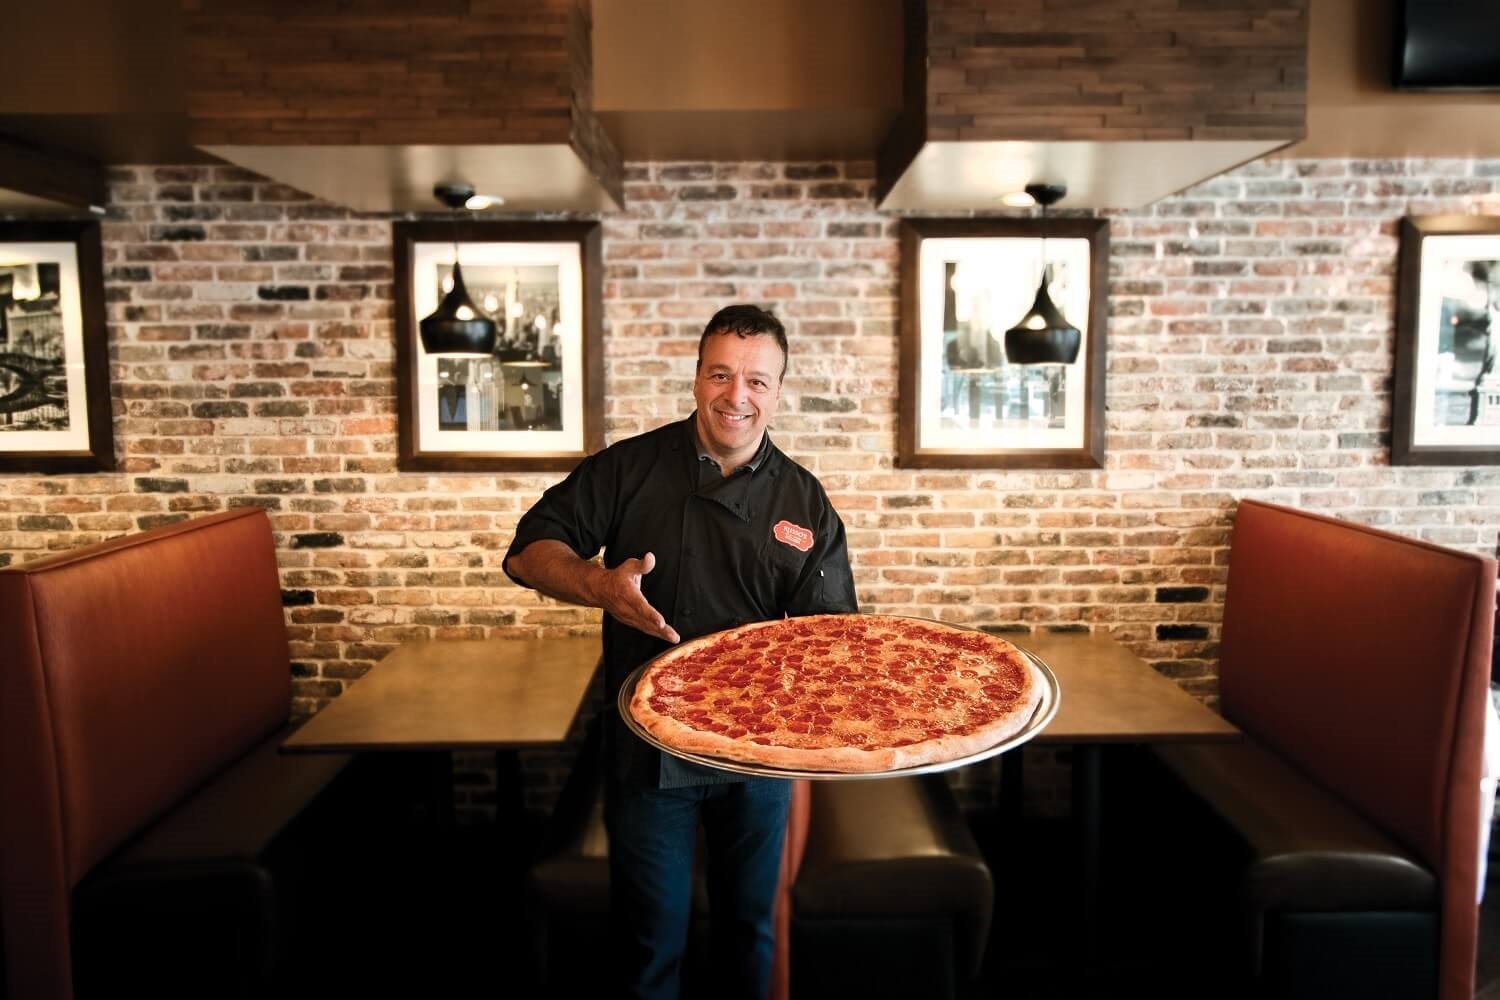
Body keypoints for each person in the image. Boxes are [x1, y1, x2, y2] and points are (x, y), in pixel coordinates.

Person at [503, 304, 858, 999]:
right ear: (697, 378)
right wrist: (598, 584)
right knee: (648, 940)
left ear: (779, 392)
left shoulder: (803, 500)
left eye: (758, 381)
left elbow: (833, 640)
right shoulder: (629, 468)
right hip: (647, 750)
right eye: (722, 374)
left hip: (758, 752)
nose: (738, 396)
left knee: (749, 932)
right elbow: (526, 552)